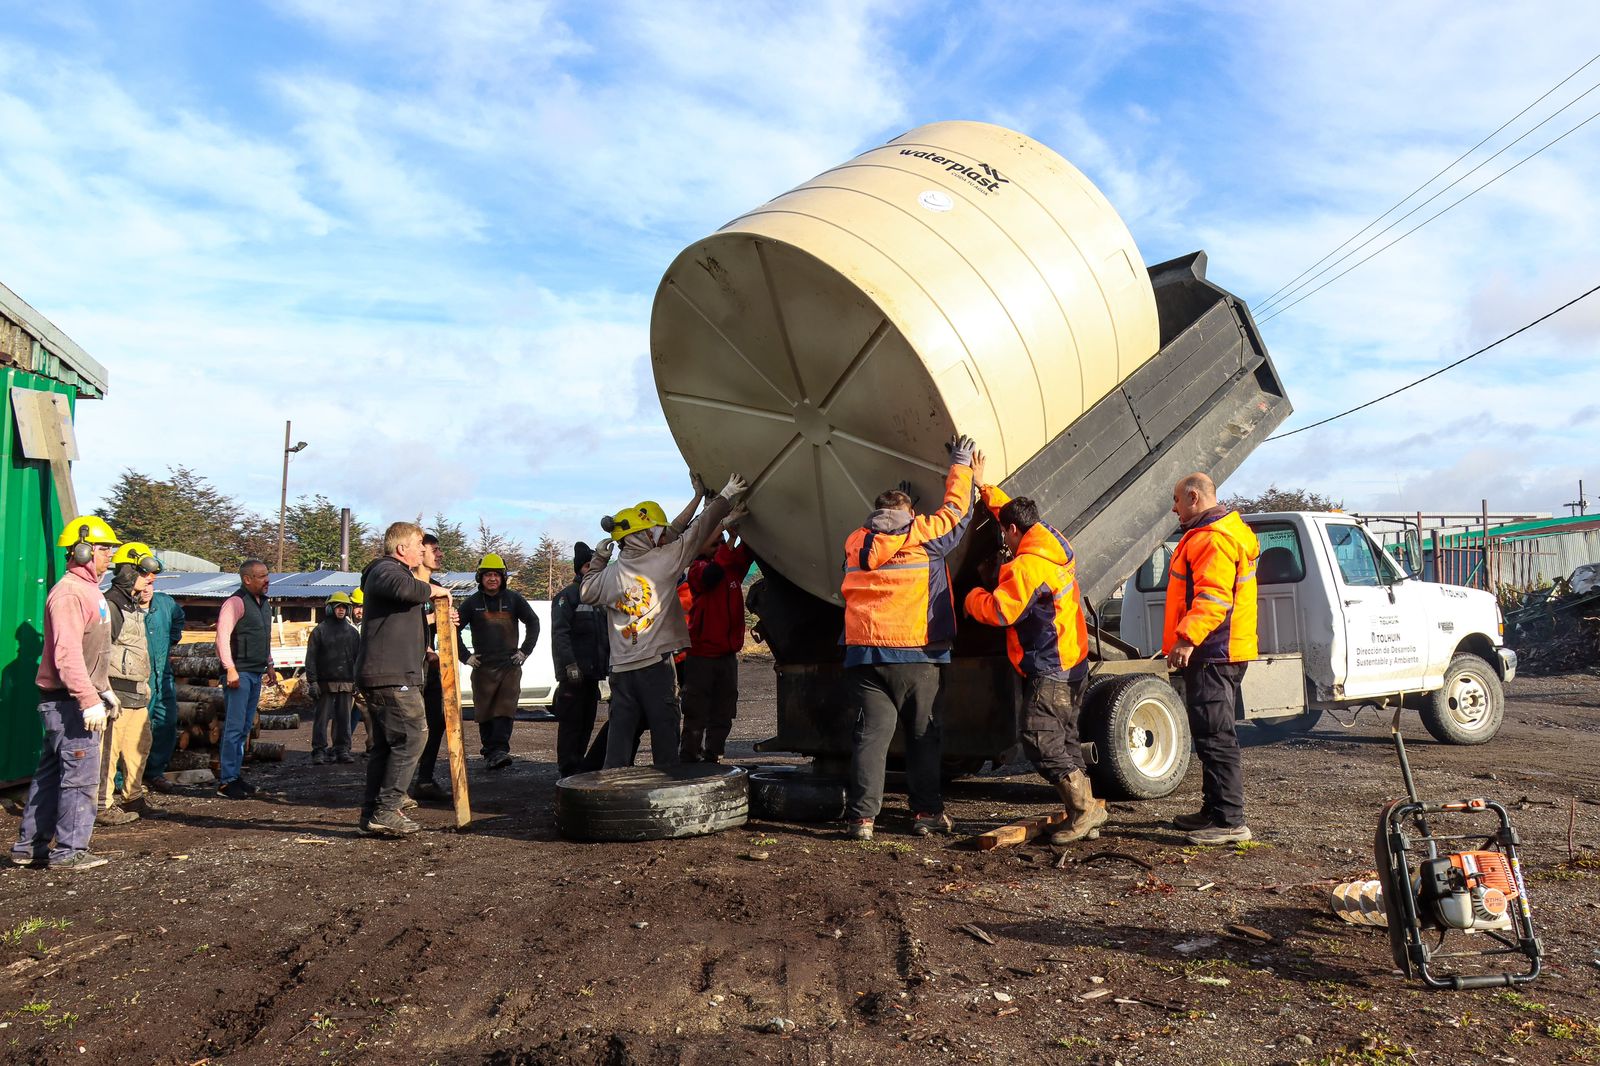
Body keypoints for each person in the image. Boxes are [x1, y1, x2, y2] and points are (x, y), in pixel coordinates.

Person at [841, 435, 982, 841]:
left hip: (865, 655)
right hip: (917, 653)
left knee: (871, 738)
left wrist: (900, 508)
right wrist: (961, 464)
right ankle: (926, 813)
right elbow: (957, 510)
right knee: (923, 736)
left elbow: (887, 538)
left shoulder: (856, 542)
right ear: (910, 515)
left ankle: (861, 820)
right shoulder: (924, 534)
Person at [962, 489, 1105, 844]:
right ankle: (1085, 813)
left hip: (1049, 664)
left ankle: (1086, 811)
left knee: (1039, 739)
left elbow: (1000, 611)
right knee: (1067, 739)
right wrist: (986, 489)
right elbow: (1013, 513)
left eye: (1005, 531)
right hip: (1073, 659)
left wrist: (971, 598)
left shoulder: (1027, 566)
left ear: (1012, 529)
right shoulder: (1053, 540)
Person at [580, 475, 745, 768]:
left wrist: (599, 559)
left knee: (620, 736)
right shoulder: (663, 563)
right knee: (665, 734)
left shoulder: (611, 574)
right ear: (645, 536)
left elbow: (586, 589)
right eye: (655, 532)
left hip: (620, 670)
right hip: (654, 668)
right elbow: (695, 533)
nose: (662, 536)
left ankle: (611, 797)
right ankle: (667, 793)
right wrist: (725, 497)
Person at [11, 516, 119, 871]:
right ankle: (70, 851)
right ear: (83, 550)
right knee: (79, 777)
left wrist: (104, 690)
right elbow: (67, 653)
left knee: (49, 776)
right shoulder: (70, 593)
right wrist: (88, 700)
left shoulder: (90, 592)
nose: (111, 557)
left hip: (75, 698)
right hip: (70, 703)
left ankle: (29, 848)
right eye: (105, 549)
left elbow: (93, 651)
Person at [1163, 472, 1260, 845]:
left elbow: (1213, 599)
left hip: (1214, 652)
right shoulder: (1222, 533)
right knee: (1211, 732)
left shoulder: (1211, 539)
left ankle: (1230, 821)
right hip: (1222, 650)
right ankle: (1214, 810)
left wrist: (1186, 639)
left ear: (1193, 497)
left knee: (1216, 735)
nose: (1173, 508)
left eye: (1176, 500)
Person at [357, 522, 455, 837]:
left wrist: (436, 617)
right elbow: (402, 590)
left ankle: (372, 814)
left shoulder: (396, 576)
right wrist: (436, 590)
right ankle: (387, 810)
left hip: (393, 671)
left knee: (387, 746)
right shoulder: (384, 570)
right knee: (414, 735)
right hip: (390, 674)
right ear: (402, 549)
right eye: (418, 543)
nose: (422, 549)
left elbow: (401, 617)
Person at [680, 512, 754, 764]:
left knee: (724, 709)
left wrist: (743, 533)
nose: (721, 545)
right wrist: (724, 531)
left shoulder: (730, 568)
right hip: (701, 656)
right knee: (696, 711)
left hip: (726, 655)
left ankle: (713, 754)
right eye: (715, 543)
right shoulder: (698, 571)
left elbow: (747, 553)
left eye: (721, 542)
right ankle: (689, 756)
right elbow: (712, 574)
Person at [456, 553, 539, 770]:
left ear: (502, 577)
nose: (492, 579)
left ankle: (500, 750)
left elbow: (533, 621)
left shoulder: (514, 600)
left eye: (496, 575)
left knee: (505, 709)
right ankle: (491, 751)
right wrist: (465, 656)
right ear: (480, 577)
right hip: (482, 667)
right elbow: (451, 629)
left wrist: (525, 651)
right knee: (485, 710)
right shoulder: (471, 603)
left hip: (509, 666)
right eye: (488, 575)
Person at [97, 542, 160, 825]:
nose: (151, 578)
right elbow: (98, 652)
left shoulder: (134, 606)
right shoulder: (110, 605)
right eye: (145, 572)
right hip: (115, 693)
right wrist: (103, 692)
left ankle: (133, 797)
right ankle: (102, 805)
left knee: (139, 747)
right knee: (107, 753)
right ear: (127, 572)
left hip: (136, 693)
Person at [215, 559, 278, 800]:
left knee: (244, 728)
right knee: (233, 728)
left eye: (267, 575)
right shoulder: (235, 602)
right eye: (261, 576)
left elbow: (265, 637)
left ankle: (236, 775)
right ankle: (226, 781)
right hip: (239, 674)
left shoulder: (265, 604)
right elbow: (222, 638)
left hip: (255, 672)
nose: (267, 580)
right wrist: (229, 668)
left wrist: (270, 665)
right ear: (247, 579)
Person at [550, 542, 610, 778]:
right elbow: (560, 633)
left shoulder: (597, 598)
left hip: (592, 674)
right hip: (573, 676)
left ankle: (578, 767)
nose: (591, 569)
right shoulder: (568, 596)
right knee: (571, 725)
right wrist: (569, 665)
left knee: (586, 723)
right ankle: (567, 770)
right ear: (579, 569)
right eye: (588, 565)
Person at [411, 532, 452, 800]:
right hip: (406, 665)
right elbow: (401, 623)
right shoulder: (404, 585)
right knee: (408, 726)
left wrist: (450, 619)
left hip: (431, 666)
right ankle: (396, 785)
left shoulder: (435, 586)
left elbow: (440, 624)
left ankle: (424, 778)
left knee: (437, 722)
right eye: (434, 549)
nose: (439, 554)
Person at [141, 558, 186, 792]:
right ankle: (120, 779)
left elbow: (179, 617)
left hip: (162, 675)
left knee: (166, 722)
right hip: (137, 679)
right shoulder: (121, 606)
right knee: (132, 729)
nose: (147, 590)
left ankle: (154, 771)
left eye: (151, 584)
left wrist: (172, 639)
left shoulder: (165, 603)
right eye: (143, 584)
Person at [305, 592, 359, 765]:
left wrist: (357, 680)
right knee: (321, 719)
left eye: (344, 607)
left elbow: (358, 658)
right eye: (338, 607)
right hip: (324, 683)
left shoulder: (352, 633)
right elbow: (311, 658)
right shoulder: (319, 631)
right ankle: (318, 750)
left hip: (346, 682)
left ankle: (342, 749)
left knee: (344, 719)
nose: (341, 610)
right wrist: (312, 681)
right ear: (329, 609)